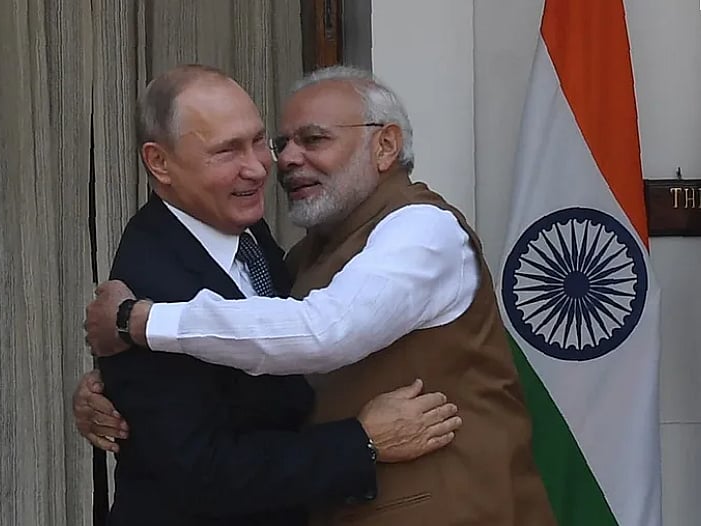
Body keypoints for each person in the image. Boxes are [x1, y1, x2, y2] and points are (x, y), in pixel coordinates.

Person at [81, 65, 557, 526]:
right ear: (159, 163)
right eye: (279, 143)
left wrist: (138, 322)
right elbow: (203, 461)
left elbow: (321, 331)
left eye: (313, 140)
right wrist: (115, 390)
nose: (275, 162)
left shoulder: (421, 230)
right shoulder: (274, 246)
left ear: (385, 145)